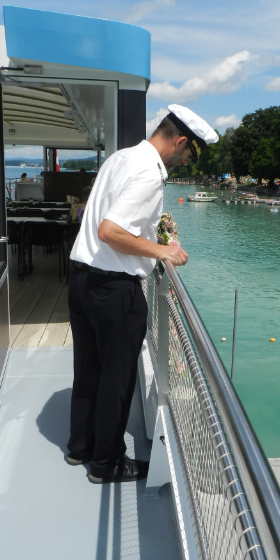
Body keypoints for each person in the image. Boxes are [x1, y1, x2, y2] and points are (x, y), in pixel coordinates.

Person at [66, 104, 218, 484]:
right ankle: (106, 464)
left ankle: (80, 447)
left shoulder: (120, 158)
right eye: (190, 153)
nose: (187, 161)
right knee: (116, 381)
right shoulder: (150, 174)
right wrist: (162, 250)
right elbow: (110, 231)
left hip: (81, 280)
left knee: (88, 370)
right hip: (114, 290)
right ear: (180, 142)